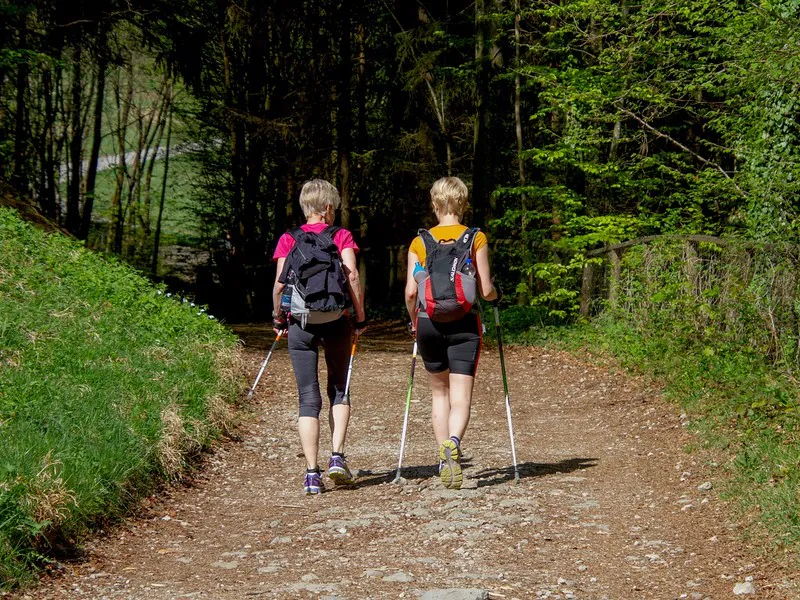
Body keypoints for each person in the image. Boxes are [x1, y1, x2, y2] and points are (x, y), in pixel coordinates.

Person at [272, 179, 367, 495]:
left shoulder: (289, 239)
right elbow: (351, 276)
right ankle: (337, 456)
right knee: (339, 387)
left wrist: (278, 317)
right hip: (336, 320)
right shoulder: (341, 236)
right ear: (328, 208)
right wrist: (360, 316)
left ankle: (312, 474)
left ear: (305, 207)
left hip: (301, 323)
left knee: (307, 396)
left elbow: (280, 285)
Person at [405, 176, 500, 489]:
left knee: (439, 394)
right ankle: (455, 442)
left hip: (428, 322)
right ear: (463, 204)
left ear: (434, 205)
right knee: (461, 397)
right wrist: (497, 296)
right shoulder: (476, 238)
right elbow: (485, 290)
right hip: (464, 323)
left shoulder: (419, 243)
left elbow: (410, 292)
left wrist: (413, 322)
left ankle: (444, 457)